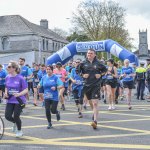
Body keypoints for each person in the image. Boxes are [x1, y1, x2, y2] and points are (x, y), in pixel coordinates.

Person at [78, 49, 107, 129]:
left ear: (94, 55)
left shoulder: (99, 63)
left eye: (91, 53)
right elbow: (77, 71)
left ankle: (95, 121)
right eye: (88, 53)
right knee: (90, 102)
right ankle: (94, 113)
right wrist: (82, 75)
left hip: (96, 85)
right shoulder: (83, 63)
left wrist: (100, 74)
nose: (89, 55)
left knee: (95, 103)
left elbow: (105, 70)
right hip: (87, 85)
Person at [4, 61, 28, 137]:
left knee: (16, 116)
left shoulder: (20, 78)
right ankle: (15, 123)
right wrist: (5, 93)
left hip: (19, 100)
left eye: (9, 67)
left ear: (14, 68)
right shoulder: (7, 77)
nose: (7, 68)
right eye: (7, 67)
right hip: (10, 99)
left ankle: (19, 130)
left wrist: (19, 94)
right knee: (7, 116)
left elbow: (26, 89)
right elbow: (6, 87)